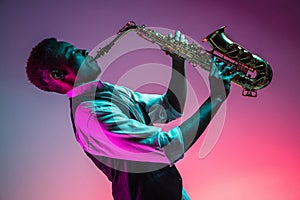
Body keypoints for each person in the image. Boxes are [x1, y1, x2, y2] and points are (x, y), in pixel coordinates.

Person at [26, 30, 236, 200]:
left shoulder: (104, 91)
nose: (84, 50)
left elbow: (169, 108)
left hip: (169, 191)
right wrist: (217, 98)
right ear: (58, 75)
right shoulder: (90, 115)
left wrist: (178, 61)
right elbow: (167, 147)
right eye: (72, 52)